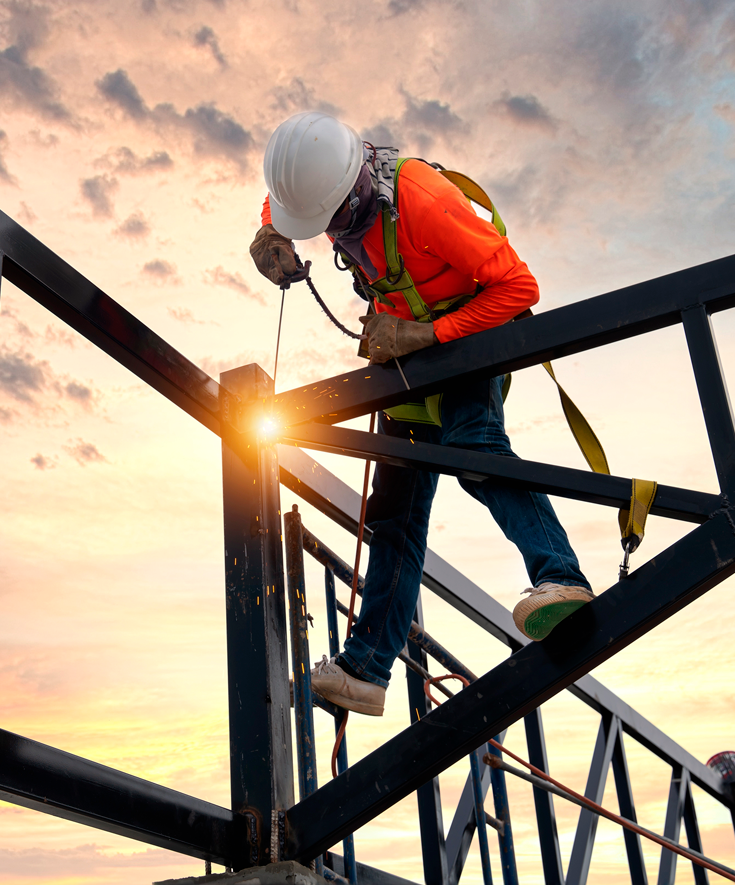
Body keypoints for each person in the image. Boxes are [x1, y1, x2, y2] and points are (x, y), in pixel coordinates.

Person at [249, 111, 594, 717]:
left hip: (463, 338)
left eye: (329, 220)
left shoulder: (423, 201)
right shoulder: (320, 183)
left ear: (356, 187)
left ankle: (561, 578)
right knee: (395, 517)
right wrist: (269, 234)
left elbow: (519, 288)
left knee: (474, 448)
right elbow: (285, 200)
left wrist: (431, 335)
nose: (325, 233)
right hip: (405, 354)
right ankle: (366, 668)